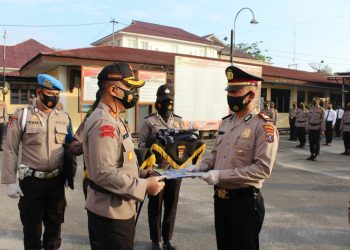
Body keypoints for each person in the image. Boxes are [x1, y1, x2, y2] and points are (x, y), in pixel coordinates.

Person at [188, 65, 279, 250]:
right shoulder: (226, 122)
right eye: (229, 91)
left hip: (244, 203)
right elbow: (216, 156)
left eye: (236, 91)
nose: (231, 96)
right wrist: (200, 166)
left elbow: (262, 170)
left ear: (251, 95)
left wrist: (220, 176)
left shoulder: (262, 126)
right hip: (221, 200)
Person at [83, 62, 165, 250]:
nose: (133, 93)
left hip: (117, 209)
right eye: (129, 88)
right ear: (114, 89)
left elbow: (119, 162)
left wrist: (142, 173)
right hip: (110, 214)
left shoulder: (114, 118)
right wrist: (145, 186)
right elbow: (104, 173)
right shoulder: (104, 123)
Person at [1, 74, 74, 250]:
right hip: (31, 182)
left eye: (56, 95)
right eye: (49, 93)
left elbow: (71, 145)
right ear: (38, 92)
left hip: (56, 182)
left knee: (54, 232)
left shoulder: (64, 117)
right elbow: (10, 148)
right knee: (32, 233)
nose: (53, 98)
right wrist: (10, 181)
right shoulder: (22, 116)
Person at [139, 84, 184, 250]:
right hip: (156, 169)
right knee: (155, 205)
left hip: (174, 170)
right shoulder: (149, 121)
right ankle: (155, 240)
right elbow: (141, 145)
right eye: (163, 101)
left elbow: (183, 145)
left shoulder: (178, 120)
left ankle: (167, 239)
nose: (166, 104)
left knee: (171, 206)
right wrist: (153, 141)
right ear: (157, 102)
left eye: (169, 101)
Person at [66, 89, 101, 250]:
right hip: (93, 181)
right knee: (96, 227)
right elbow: (72, 147)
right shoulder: (90, 120)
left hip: (116, 182)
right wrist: (89, 143)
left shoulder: (118, 121)